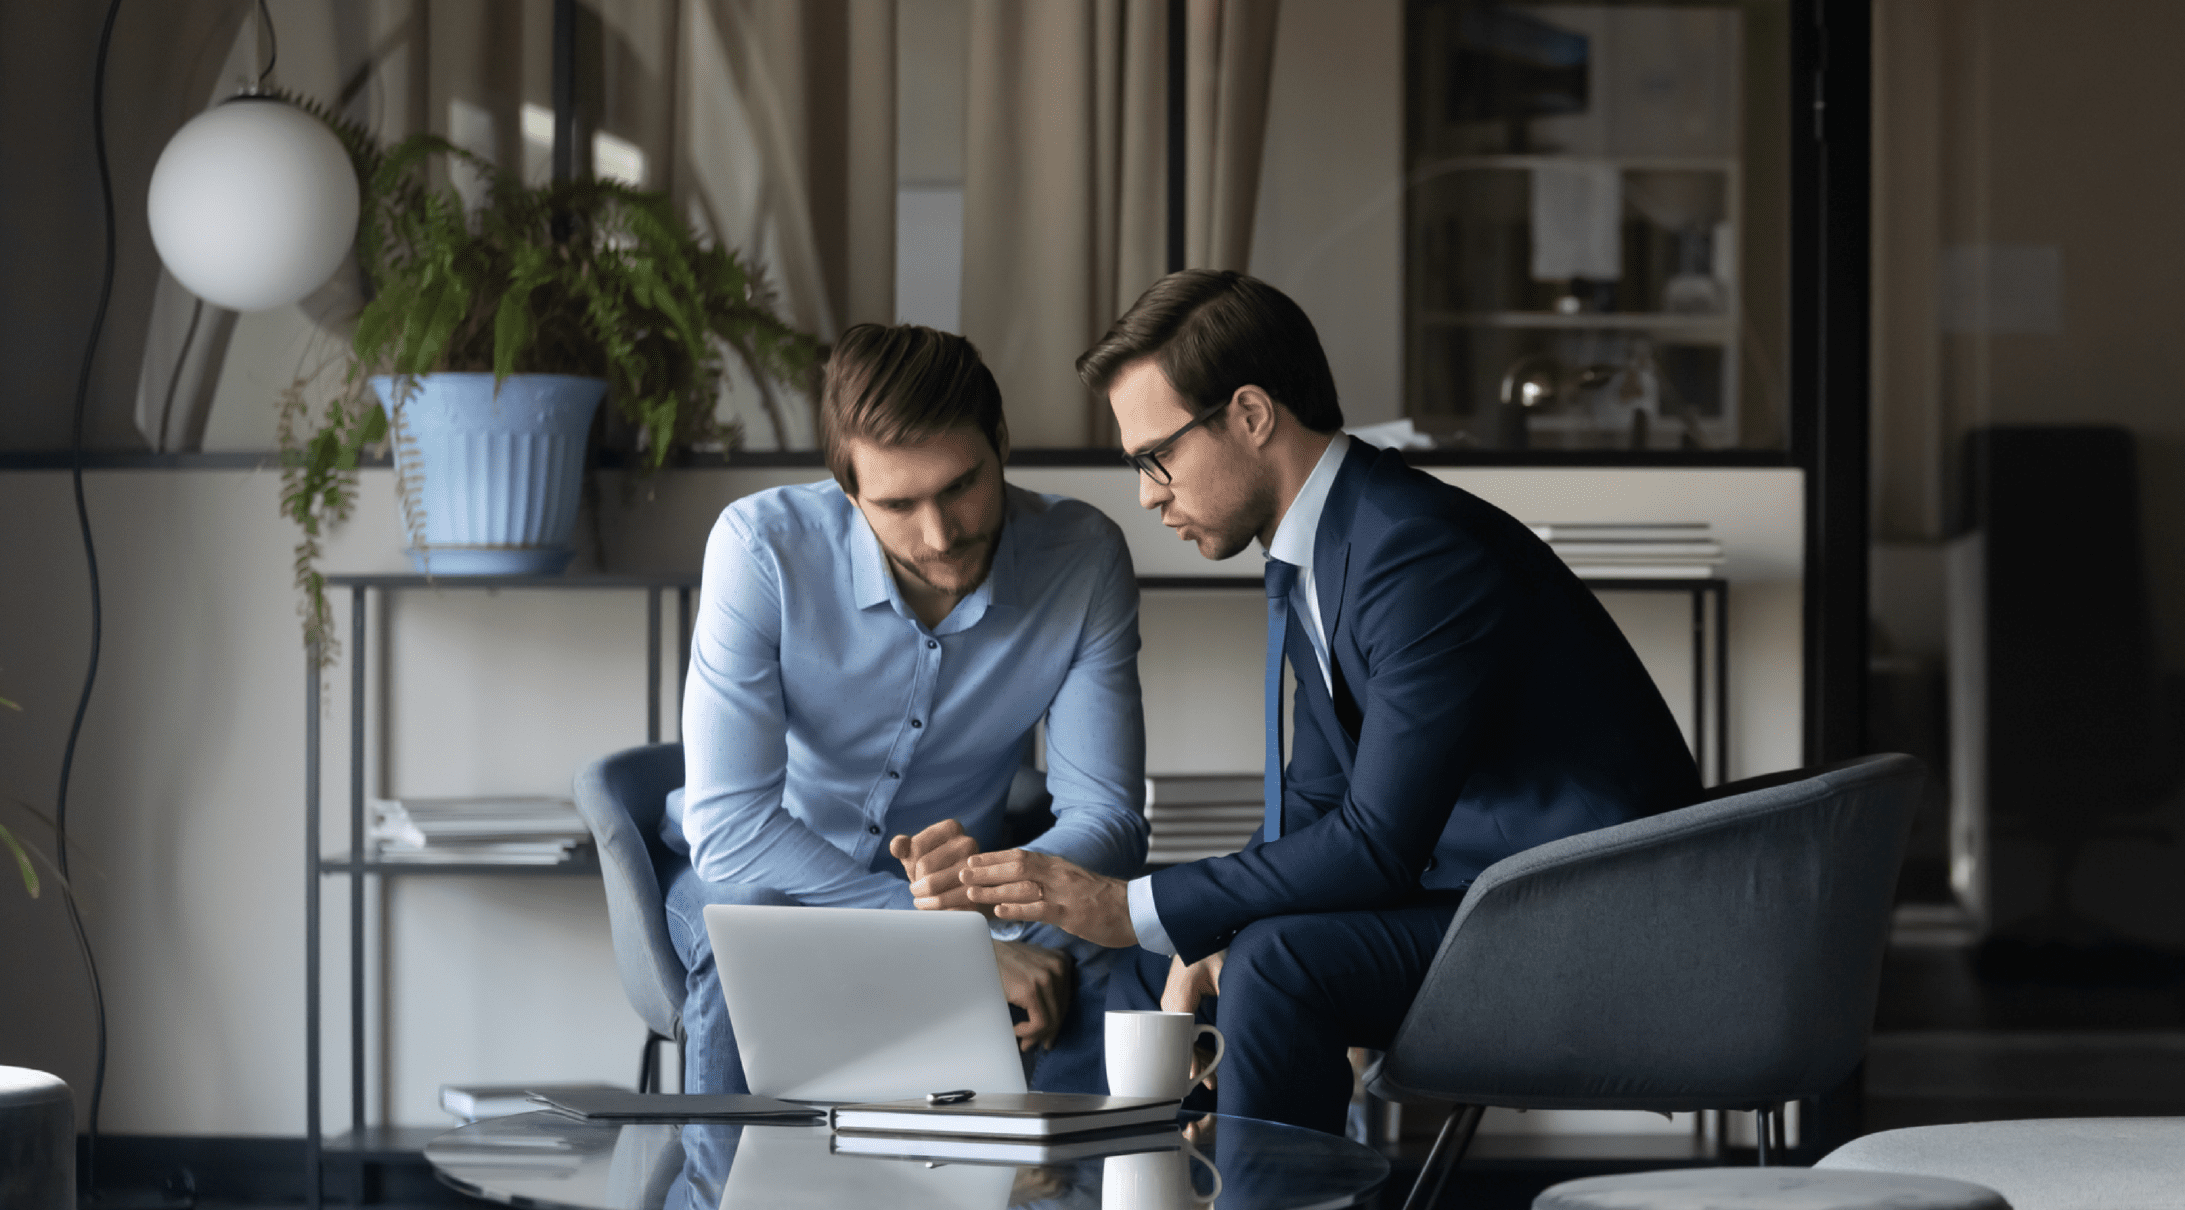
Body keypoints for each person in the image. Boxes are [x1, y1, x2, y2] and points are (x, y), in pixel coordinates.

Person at [916, 270, 1705, 1132]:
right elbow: (1318, 806)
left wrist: (1133, 904)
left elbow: (1376, 843)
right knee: (1144, 973)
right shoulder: (1328, 547)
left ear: (1251, 416)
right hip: (1480, 898)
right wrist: (1188, 931)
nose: (1147, 493)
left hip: (1579, 919)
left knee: (1276, 961)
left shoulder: (1414, 552)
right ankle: (1070, 1185)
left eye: (1157, 457)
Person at [660, 322, 1158, 1095]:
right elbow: (731, 834)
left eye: (962, 485)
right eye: (897, 504)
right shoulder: (761, 551)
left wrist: (998, 891)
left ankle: (1054, 1186)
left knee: (1106, 935)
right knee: (751, 926)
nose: (940, 535)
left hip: (966, 900)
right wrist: (946, 942)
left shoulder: (1082, 559)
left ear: (999, 441)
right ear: (849, 490)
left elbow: (1110, 821)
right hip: (769, 880)